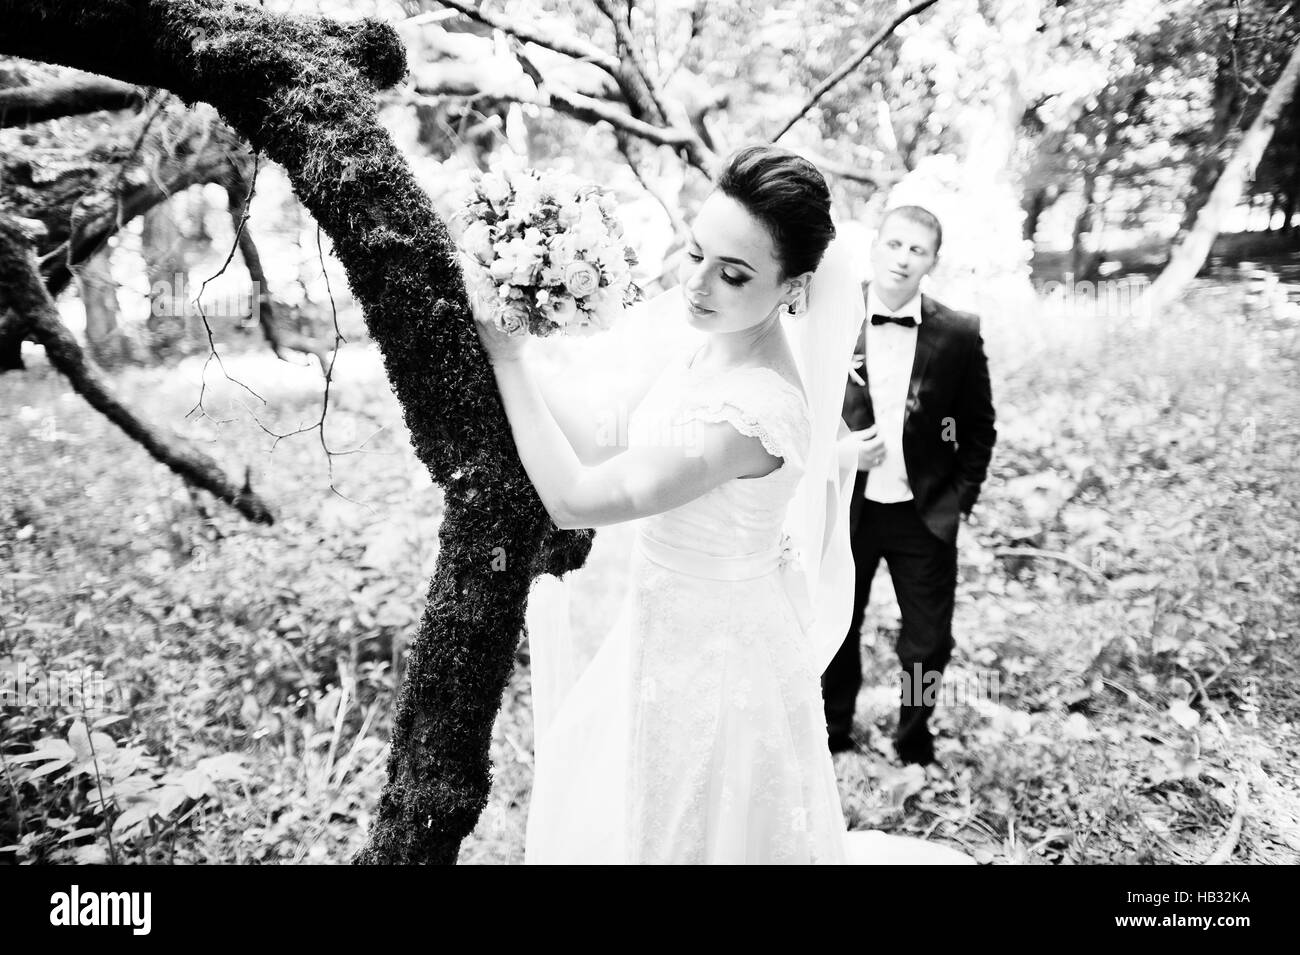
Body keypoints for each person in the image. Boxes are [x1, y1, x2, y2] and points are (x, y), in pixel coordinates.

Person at [472, 147, 971, 864]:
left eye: (732, 274)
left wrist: (506, 362)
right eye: (697, 253)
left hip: (719, 659)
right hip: (657, 626)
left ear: (794, 288)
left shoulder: (754, 411)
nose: (697, 284)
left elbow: (574, 498)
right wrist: (512, 332)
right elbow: (597, 436)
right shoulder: (710, 344)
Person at [823, 206, 997, 765]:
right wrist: (840, 455)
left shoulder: (959, 333)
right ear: (874, 247)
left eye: (917, 250)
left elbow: (978, 428)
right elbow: (796, 415)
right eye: (894, 244)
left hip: (923, 516)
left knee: (927, 642)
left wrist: (959, 500)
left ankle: (913, 742)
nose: (903, 258)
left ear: (933, 262)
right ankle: (832, 730)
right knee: (836, 624)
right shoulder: (830, 318)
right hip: (847, 508)